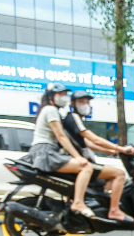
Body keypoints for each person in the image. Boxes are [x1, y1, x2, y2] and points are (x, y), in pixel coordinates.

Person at [25, 82, 100, 218]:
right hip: (45, 152)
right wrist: (78, 157)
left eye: (65, 94)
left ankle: (71, 204)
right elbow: (61, 136)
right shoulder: (50, 110)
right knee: (86, 167)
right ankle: (78, 203)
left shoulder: (51, 110)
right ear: (51, 96)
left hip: (45, 151)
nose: (64, 97)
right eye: (60, 94)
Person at [62, 90, 134, 222]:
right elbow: (93, 139)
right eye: (81, 102)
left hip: (76, 162)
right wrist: (120, 148)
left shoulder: (73, 119)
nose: (85, 105)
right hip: (79, 163)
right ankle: (114, 210)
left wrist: (111, 151)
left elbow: (87, 143)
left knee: (108, 180)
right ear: (73, 103)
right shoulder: (73, 117)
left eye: (87, 102)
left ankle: (99, 207)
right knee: (119, 174)